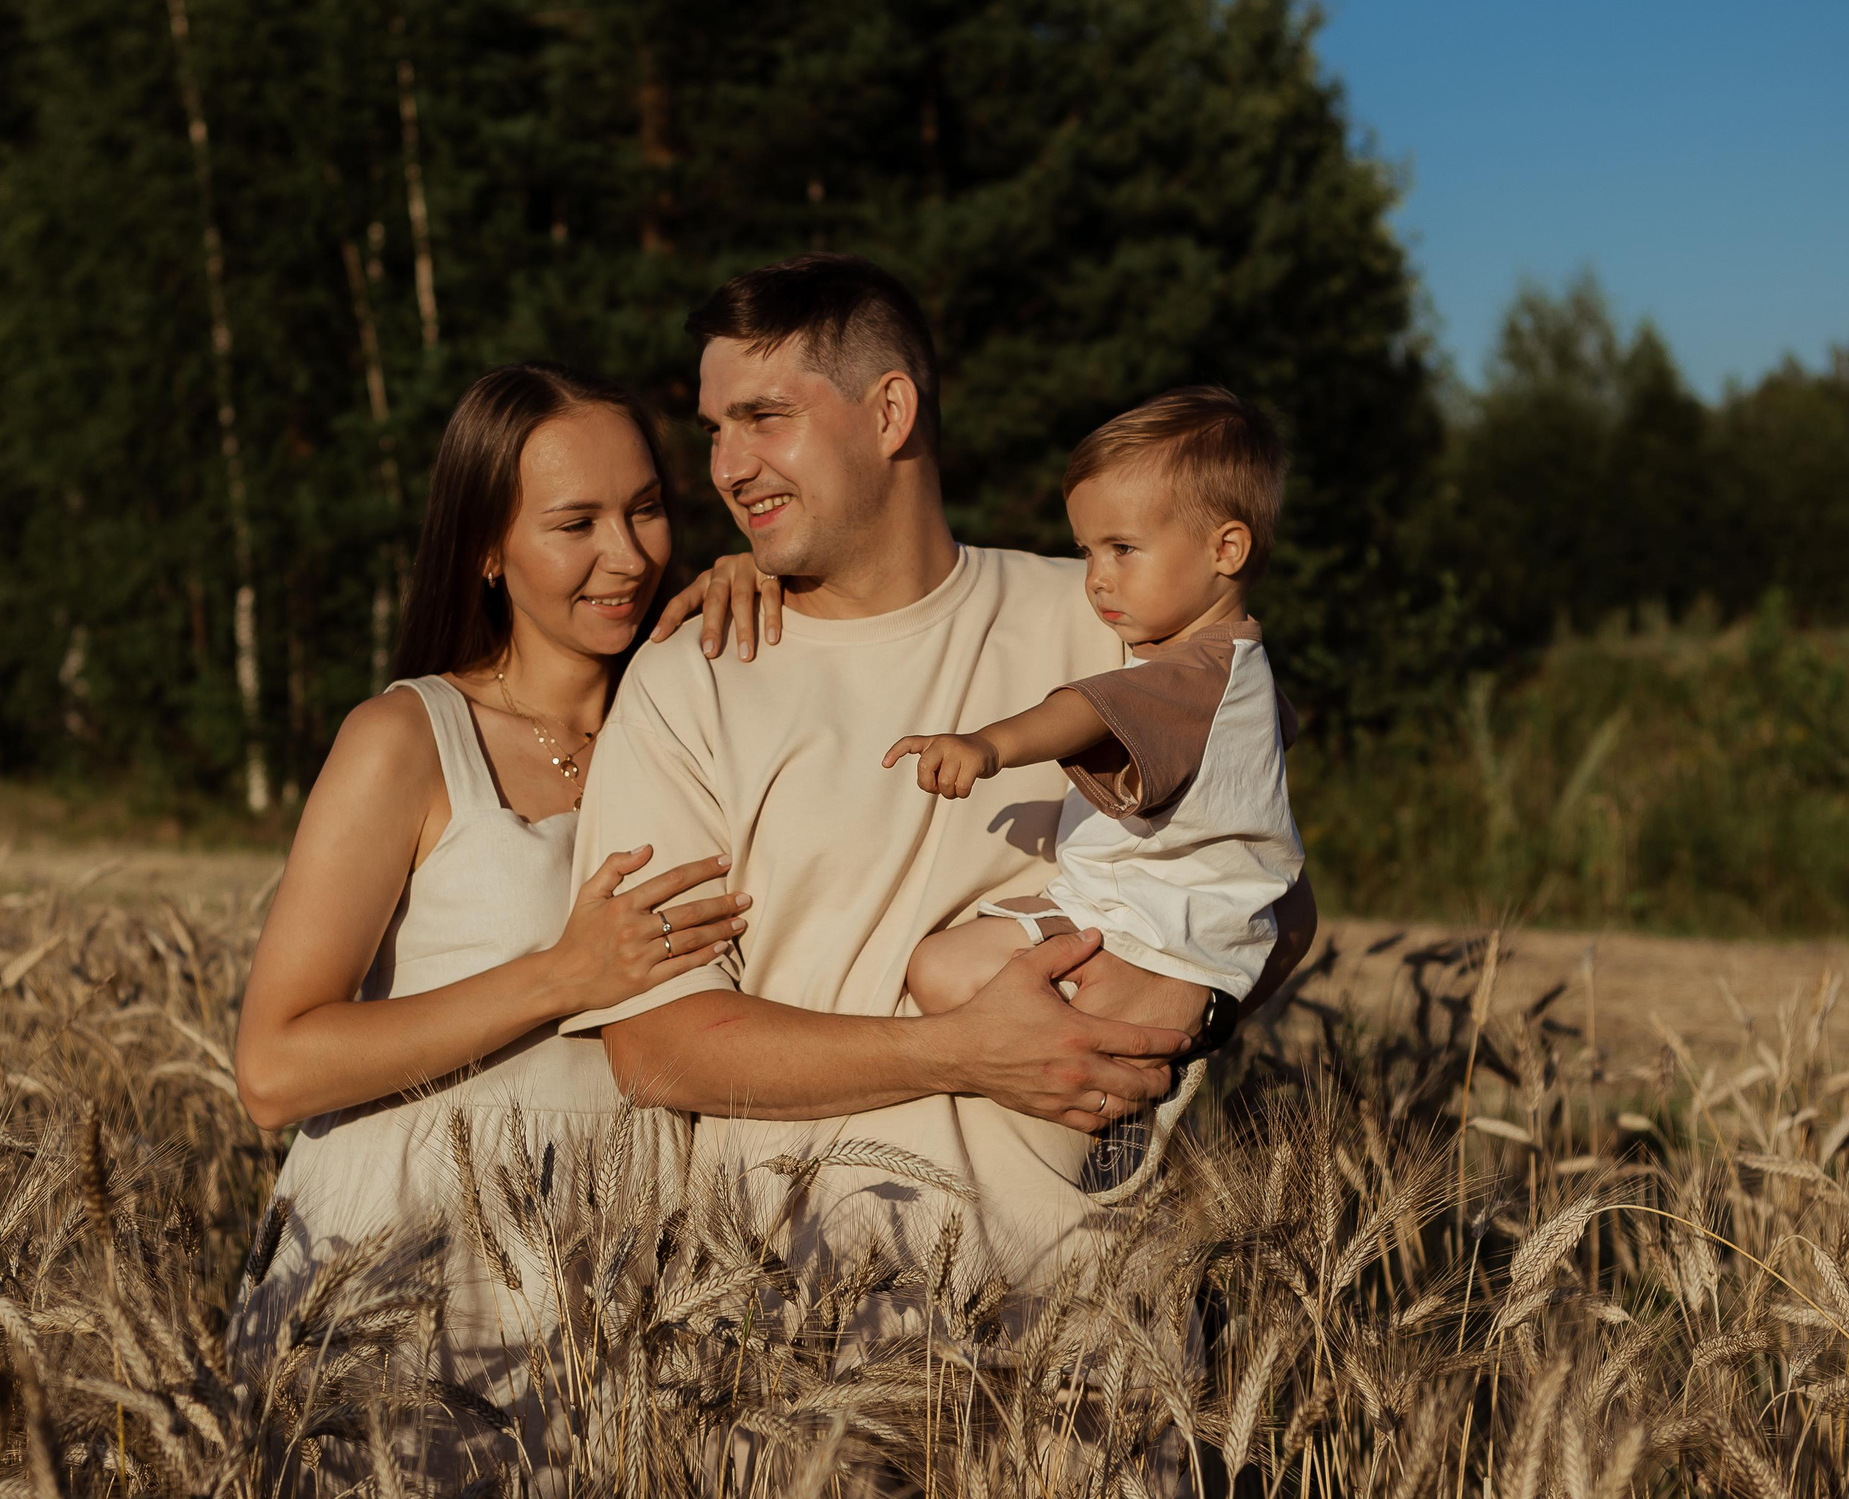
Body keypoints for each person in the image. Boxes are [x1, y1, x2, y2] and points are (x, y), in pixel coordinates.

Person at [564, 254, 1317, 1287]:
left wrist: (1163, 1021)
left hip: (1086, 1327)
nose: (728, 467)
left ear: (888, 412)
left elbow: (1270, 894)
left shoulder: (1108, 623)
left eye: (764, 417)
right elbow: (658, 1049)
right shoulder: (689, 681)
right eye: (713, 431)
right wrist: (961, 1049)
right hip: (792, 1339)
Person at [231, 361, 755, 1361]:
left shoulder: (701, 722)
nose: (628, 555)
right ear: (485, 549)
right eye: (575, 524)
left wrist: (768, 587)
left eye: (645, 510)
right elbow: (273, 1069)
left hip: (626, 1272)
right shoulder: (408, 737)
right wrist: (563, 977)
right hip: (409, 1268)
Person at [885, 387, 1306, 1200]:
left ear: (1226, 549)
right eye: (1085, 551)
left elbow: (1080, 710)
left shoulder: (1197, 672)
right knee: (940, 972)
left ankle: (1127, 1098)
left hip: (1146, 927)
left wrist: (988, 744)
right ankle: (1105, 1087)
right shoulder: (1238, 664)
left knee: (959, 979)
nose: (1096, 580)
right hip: (1126, 906)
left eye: (1122, 549)